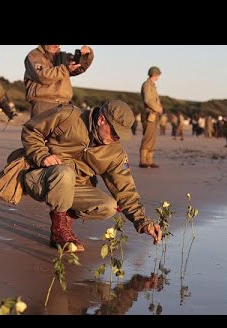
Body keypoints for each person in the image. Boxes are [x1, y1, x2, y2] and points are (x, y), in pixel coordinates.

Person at [20, 100, 162, 253]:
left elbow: (125, 190)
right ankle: (58, 231)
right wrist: (41, 155)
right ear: (101, 120)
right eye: (115, 133)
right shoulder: (69, 116)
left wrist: (144, 222)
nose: (117, 139)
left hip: (72, 190)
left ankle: (65, 217)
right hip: (39, 179)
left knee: (109, 206)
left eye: (121, 135)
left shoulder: (115, 153)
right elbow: (30, 130)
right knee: (65, 172)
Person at [24, 45, 94, 117]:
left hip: (64, 104)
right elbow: (42, 76)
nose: (57, 45)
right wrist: (65, 69)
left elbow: (80, 67)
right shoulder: (34, 55)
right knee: (40, 128)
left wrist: (86, 55)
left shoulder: (63, 56)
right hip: (43, 104)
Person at [139, 66, 163, 168]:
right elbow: (148, 100)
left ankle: (149, 160)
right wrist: (159, 108)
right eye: (158, 74)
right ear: (154, 74)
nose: (159, 77)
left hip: (153, 114)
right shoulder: (147, 85)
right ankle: (143, 161)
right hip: (149, 114)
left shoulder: (151, 85)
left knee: (152, 138)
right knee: (148, 137)